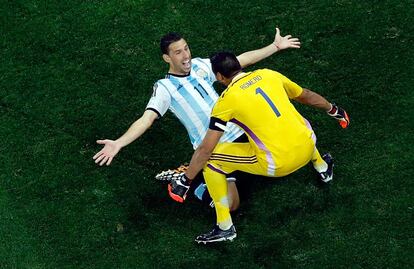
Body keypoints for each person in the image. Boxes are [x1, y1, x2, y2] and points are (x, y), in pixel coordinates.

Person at [93, 28, 301, 209]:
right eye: (178, 52)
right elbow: (146, 120)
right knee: (231, 205)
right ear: (167, 58)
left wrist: (275, 46)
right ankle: (197, 182)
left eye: (186, 48)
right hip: (214, 148)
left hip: (243, 134)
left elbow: (240, 61)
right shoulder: (165, 88)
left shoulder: (200, 66)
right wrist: (119, 143)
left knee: (287, 155)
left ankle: (192, 172)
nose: (185, 56)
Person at [168, 51, 350, 244]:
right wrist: (334, 110)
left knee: (212, 159)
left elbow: (205, 149)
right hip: (309, 143)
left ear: (220, 77)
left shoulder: (226, 102)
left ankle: (224, 227)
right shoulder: (269, 74)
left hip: (280, 163)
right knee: (292, 121)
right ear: (239, 65)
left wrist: (186, 180)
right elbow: (306, 95)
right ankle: (323, 168)